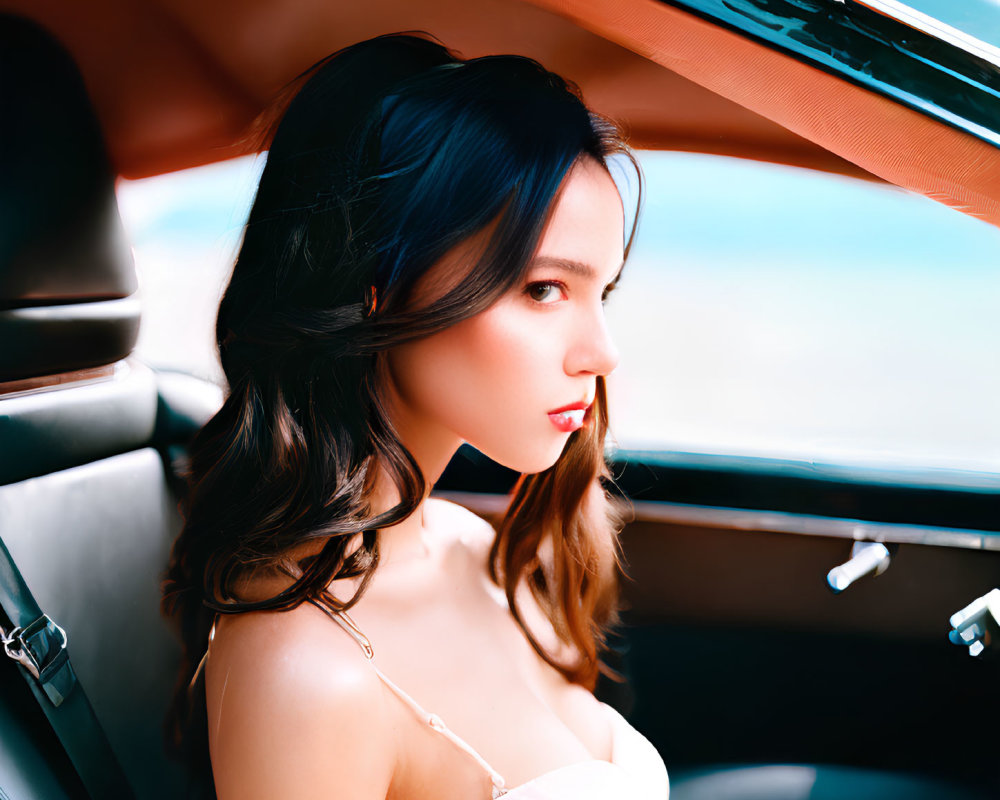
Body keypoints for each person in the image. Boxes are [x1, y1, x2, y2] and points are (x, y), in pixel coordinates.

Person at [162, 32, 668, 800]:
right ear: (378, 286)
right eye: (542, 290)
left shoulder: (478, 550)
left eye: (602, 294)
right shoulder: (307, 673)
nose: (602, 354)